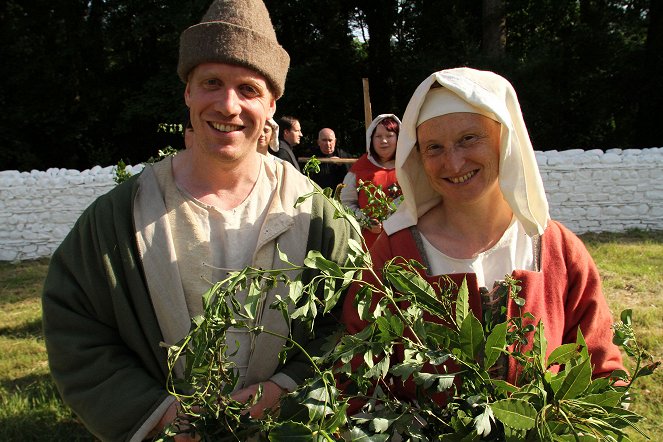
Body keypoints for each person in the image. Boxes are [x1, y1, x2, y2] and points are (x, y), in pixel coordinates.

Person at [41, 1, 358, 441]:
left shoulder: (315, 215)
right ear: (188, 91)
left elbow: (349, 321)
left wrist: (285, 387)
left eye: (248, 89)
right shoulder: (120, 217)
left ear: (272, 104)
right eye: (211, 83)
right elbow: (75, 327)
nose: (228, 105)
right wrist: (161, 415)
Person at [342, 67, 625, 406]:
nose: (454, 162)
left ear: (504, 140)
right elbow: (358, 373)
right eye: (434, 147)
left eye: (469, 138)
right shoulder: (394, 252)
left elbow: (601, 373)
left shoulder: (557, 249)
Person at [340, 114, 402, 248]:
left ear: (398, 138)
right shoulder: (359, 169)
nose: (383, 141)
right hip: (369, 243)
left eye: (389, 135)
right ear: (371, 139)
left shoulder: (409, 168)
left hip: (403, 239)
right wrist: (366, 221)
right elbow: (345, 203)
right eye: (378, 136)